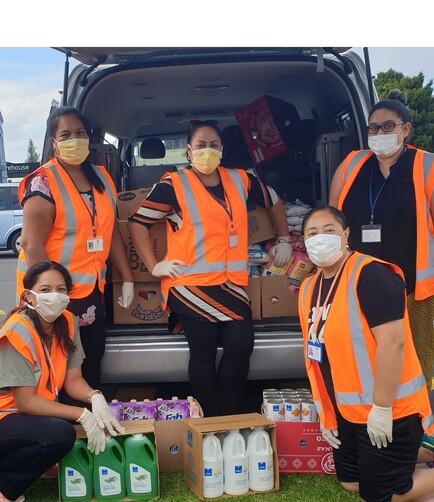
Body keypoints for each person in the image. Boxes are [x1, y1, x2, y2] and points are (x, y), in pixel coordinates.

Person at [128, 120, 292, 417]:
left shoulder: (240, 179)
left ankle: (228, 413)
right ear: (189, 151)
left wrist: (283, 239)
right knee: (202, 354)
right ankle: (211, 417)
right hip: (188, 284)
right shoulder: (173, 184)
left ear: (222, 149)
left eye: (213, 145)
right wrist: (155, 266)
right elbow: (137, 223)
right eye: (201, 145)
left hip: (231, 284)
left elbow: (275, 201)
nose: (207, 151)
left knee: (241, 347)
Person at [299, 204, 434, 502]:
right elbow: (317, 353)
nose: (320, 238)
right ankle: (418, 451)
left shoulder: (372, 275)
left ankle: (420, 460)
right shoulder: (310, 287)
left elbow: (392, 344)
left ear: (346, 235)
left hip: (389, 408)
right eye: (312, 233)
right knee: (351, 482)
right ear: (304, 241)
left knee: (381, 496)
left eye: (329, 230)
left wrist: (382, 409)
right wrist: (325, 412)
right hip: (346, 410)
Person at [16, 106, 135, 392]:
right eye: (66, 134)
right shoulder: (43, 181)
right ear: (54, 143)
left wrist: (127, 277)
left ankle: (87, 426)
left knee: (90, 364)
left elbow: (111, 233)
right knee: (53, 372)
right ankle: (59, 432)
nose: (74, 139)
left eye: (79, 133)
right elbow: (32, 244)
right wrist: (48, 296)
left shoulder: (102, 177)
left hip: (91, 294)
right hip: (52, 299)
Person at [329, 89, 434, 390]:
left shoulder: (426, 166)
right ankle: (368, 421)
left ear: (405, 129)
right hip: (357, 286)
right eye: (373, 128)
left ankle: (416, 429)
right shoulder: (352, 164)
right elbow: (331, 221)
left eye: (388, 126)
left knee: (413, 368)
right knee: (362, 361)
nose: (379, 133)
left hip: (412, 290)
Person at [0, 261, 124, 502]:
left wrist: (94, 397)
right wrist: (82, 415)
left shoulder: (67, 321)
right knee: (59, 434)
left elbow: (73, 380)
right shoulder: (17, 331)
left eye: (61, 289)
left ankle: (30, 465)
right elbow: (25, 402)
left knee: (84, 418)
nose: (54, 296)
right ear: (29, 296)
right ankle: (5, 485)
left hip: (29, 415)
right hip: (7, 414)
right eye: (45, 290)